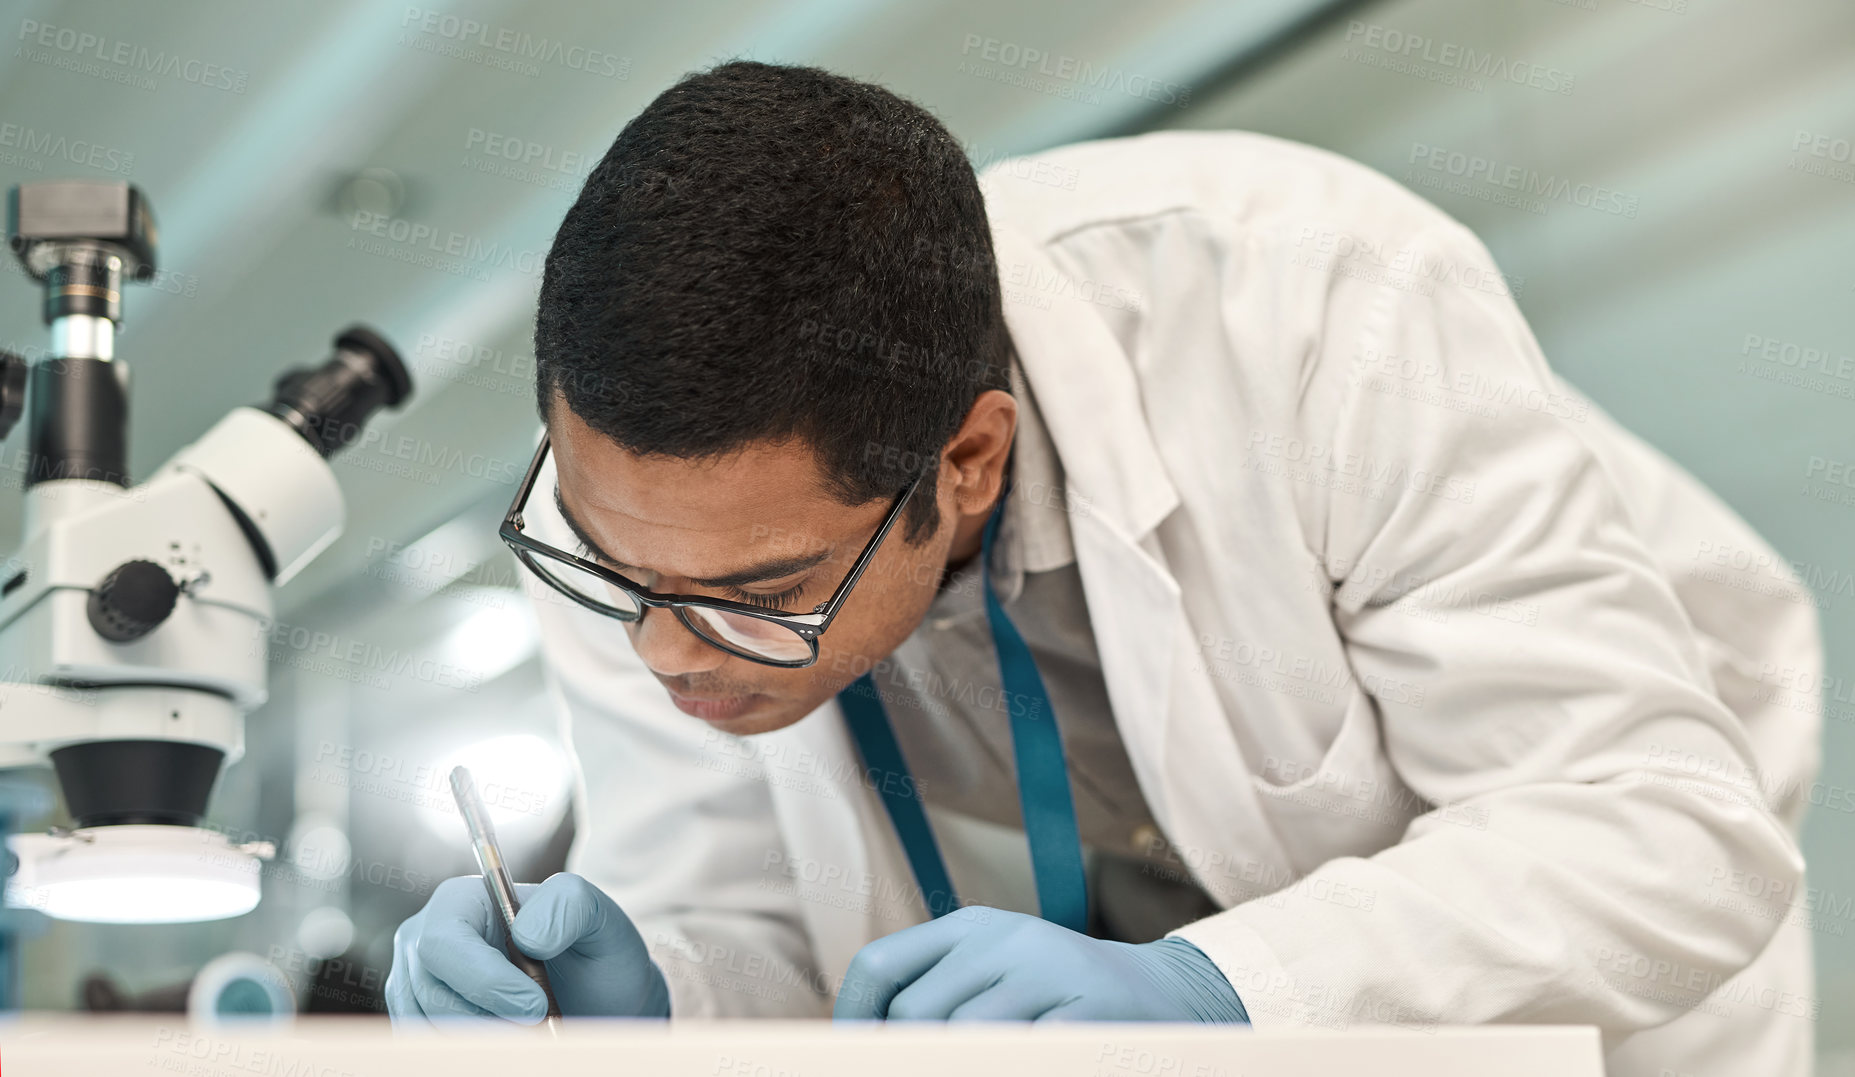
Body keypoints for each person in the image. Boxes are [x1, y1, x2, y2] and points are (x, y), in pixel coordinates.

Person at [385, 61, 1821, 1076]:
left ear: (967, 462)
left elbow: (1664, 836)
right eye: (613, 570)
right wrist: (657, 994)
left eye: (759, 598)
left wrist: (1220, 983)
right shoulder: (659, 498)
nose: (665, 653)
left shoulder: (1316, 310)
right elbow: (751, 913)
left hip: (1571, 930)